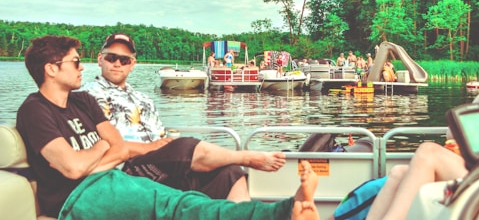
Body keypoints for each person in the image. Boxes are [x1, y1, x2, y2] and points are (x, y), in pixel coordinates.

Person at [16, 35, 321, 219]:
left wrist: (97, 158)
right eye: (75, 62)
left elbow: (118, 146)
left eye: (125, 59)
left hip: (110, 176)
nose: (82, 67)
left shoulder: (82, 102)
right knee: (175, 205)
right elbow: (71, 169)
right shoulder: (35, 110)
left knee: (196, 196)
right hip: (77, 197)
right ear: (51, 69)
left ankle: (281, 211)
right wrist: (102, 148)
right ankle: (281, 211)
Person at [80, 33, 286, 202]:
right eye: (111, 58)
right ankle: (247, 158)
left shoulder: (143, 99)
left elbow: (160, 137)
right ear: (100, 59)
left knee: (229, 173)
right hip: (127, 168)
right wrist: (157, 148)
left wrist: (165, 145)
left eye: (124, 60)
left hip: (160, 167)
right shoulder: (87, 97)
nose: (117, 64)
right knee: (185, 146)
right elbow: (98, 144)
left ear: (132, 64)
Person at [363, 28, 479, 220]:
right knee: (397, 173)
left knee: (428, 151)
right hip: (476, 169)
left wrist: (461, 131)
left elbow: (476, 141)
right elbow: (455, 135)